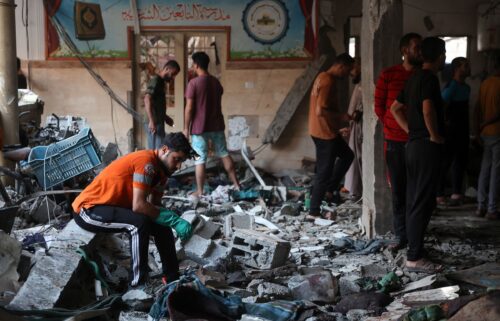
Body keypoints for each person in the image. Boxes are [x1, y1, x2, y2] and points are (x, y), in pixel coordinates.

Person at [72, 132, 196, 287]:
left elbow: (154, 204)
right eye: (176, 159)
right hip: (89, 210)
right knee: (138, 223)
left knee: (162, 227)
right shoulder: (147, 162)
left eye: (181, 162)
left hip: (111, 208)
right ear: (164, 150)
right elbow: (139, 205)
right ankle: (138, 283)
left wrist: (171, 222)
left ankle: (172, 278)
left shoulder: (162, 172)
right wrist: (173, 219)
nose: (178, 166)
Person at [391, 37, 446, 273]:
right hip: (424, 147)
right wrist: (433, 134)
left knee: (415, 199)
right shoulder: (429, 78)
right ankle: (414, 257)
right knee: (422, 202)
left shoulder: (413, 78)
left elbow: (395, 109)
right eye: (444, 53)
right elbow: (427, 108)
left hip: (412, 146)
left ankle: (416, 250)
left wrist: (411, 131)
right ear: (439, 55)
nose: (445, 58)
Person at [374, 33, 422, 251]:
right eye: (416, 47)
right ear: (404, 50)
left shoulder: (423, 76)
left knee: (417, 192)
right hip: (394, 142)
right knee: (398, 191)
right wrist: (393, 127)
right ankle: (401, 235)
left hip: (418, 142)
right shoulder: (389, 75)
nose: (419, 51)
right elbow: (379, 107)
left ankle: (415, 237)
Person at [183, 52, 240, 196]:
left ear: (196, 65)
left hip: (199, 128)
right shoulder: (216, 82)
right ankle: (236, 184)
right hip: (217, 125)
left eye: (193, 64)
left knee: (199, 159)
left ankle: (200, 191)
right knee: (224, 153)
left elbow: (189, 108)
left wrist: (185, 128)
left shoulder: (193, 83)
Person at [308, 53, 354, 219]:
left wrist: (337, 129)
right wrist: (341, 117)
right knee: (323, 172)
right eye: (347, 71)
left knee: (347, 155)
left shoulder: (322, 76)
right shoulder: (328, 81)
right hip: (324, 133)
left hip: (322, 131)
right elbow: (321, 111)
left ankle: (329, 189)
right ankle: (313, 211)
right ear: (341, 66)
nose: (347, 75)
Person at [436, 57, 471, 206]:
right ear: (456, 69)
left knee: (460, 161)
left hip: (463, 129)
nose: (468, 69)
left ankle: (456, 193)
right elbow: (441, 106)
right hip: (451, 130)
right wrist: (445, 124)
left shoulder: (466, 88)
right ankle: (439, 194)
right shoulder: (451, 87)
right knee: (445, 162)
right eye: (465, 66)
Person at [475, 55, 500, 220]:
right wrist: (486, 123)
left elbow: (477, 108)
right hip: (498, 132)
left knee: (485, 170)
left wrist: (479, 128)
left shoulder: (485, 84)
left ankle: (480, 206)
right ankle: (492, 209)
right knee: (496, 172)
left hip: (486, 134)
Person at [144, 60, 180, 149]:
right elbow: (147, 99)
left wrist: (165, 117)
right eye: (173, 74)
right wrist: (151, 121)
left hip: (158, 122)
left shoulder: (161, 82)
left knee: (160, 150)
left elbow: (156, 104)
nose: (173, 77)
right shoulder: (156, 80)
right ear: (167, 69)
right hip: (154, 123)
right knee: (155, 151)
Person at [344, 58, 363, 200]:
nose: (351, 73)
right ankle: (354, 189)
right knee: (354, 159)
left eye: (353, 69)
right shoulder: (359, 85)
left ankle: (357, 190)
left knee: (358, 159)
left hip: (360, 127)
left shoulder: (364, 85)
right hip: (354, 126)